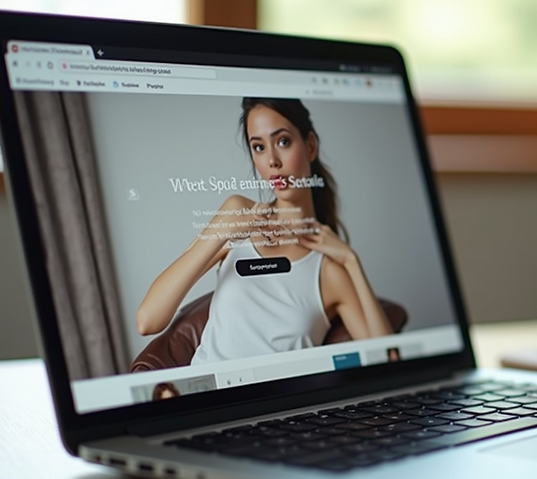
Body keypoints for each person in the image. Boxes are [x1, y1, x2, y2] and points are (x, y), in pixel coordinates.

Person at [136, 98, 392, 364]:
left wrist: (351, 261)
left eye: (282, 142)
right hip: (207, 397)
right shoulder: (236, 212)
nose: (272, 161)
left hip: (280, 403)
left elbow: (388, 361)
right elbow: (148, 320)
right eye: (258, 147)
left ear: (310, 146)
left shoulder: (329, 270)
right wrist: (222, 234)